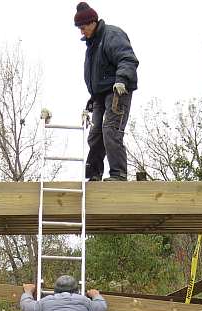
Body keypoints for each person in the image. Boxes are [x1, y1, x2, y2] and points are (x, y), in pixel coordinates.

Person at [74, 2, 139, 182]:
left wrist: (121, 80)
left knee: (110, 129)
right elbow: (98, 75)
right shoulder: (92, 45)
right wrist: (92, 97)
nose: (81, 31)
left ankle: (118, 174)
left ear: (93, 22)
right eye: (79, 28)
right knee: (95, 134)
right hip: (100, 96)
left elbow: (127, 58)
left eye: (83, 27)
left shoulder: (111, 35)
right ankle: (93, 173)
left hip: (117, 91)